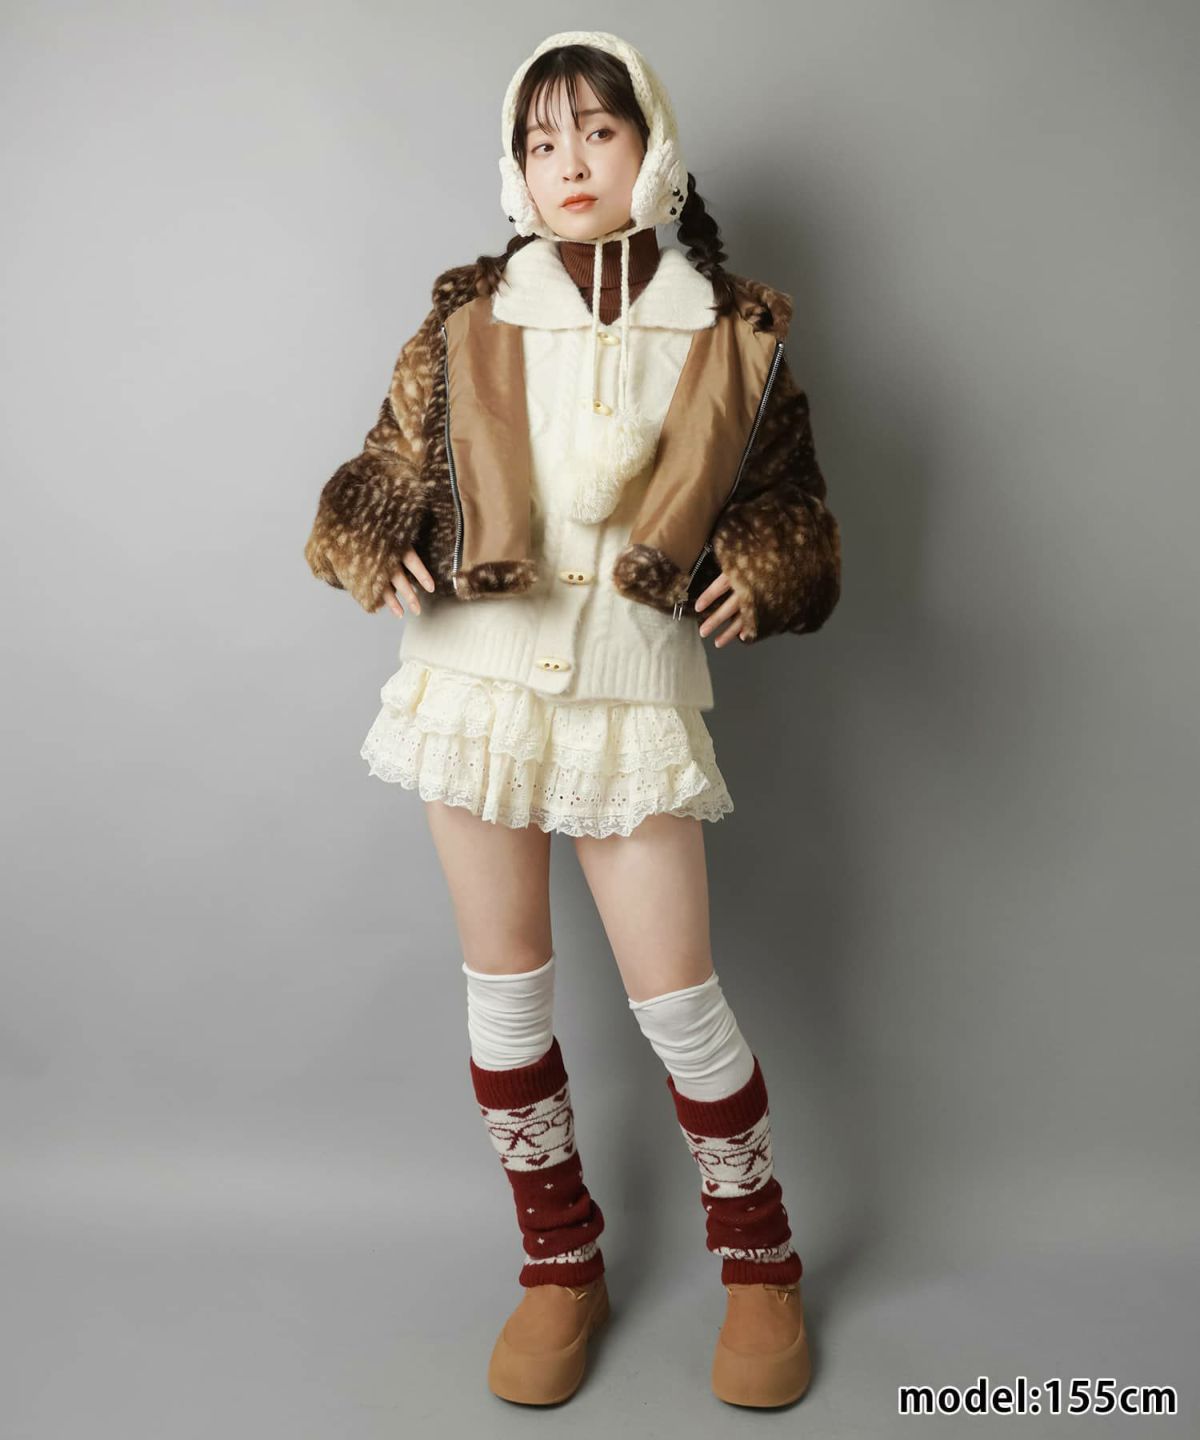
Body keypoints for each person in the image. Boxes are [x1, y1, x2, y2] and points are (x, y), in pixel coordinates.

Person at [303, 29, 841, 1409]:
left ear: (652, 149)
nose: (571, 163)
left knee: (681, 1001)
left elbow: (790, 505)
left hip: (629, 691)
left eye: (597, 131)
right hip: (473, 684)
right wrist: (375, 536)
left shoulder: (733, 331)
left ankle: (761, 1263)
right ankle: (560, 1265)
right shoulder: (467, 318)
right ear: (517, 172)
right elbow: (381, 469)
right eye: (542, 142)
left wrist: (764, 571)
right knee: (505, 995)